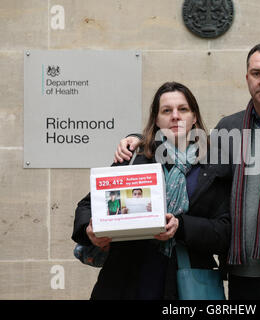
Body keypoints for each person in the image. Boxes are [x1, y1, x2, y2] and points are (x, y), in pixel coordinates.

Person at [114, 43, 260, 300]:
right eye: (255, 73)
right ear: (246, 78)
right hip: (241, 275)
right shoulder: (229, 128)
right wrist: (138, 139)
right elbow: (185, 148)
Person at [72, 81, 231, 300]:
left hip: (186, 282)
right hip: (127, 281)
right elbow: (88, 206)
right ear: (156, 119)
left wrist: (181, 226)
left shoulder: (214, 167)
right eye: (166, 111)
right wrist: (90, 230)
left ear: (194, 117)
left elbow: (225, 231)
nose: (175, 116)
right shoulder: (133, 159)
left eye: (182, 109)